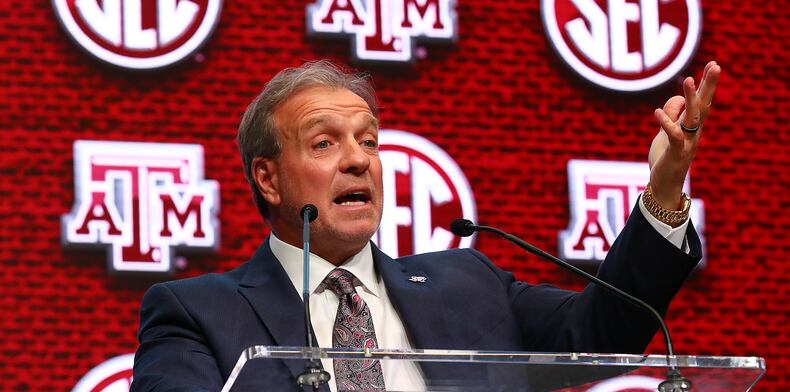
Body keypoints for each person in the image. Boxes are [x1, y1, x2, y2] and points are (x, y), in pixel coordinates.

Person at [131, 60, 721, 391]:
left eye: (368, 140)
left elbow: (606, 334)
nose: (359, 159)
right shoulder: (195, 313)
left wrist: (665, 189)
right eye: (323, 143)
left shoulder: (468, 283)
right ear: (268, 179)